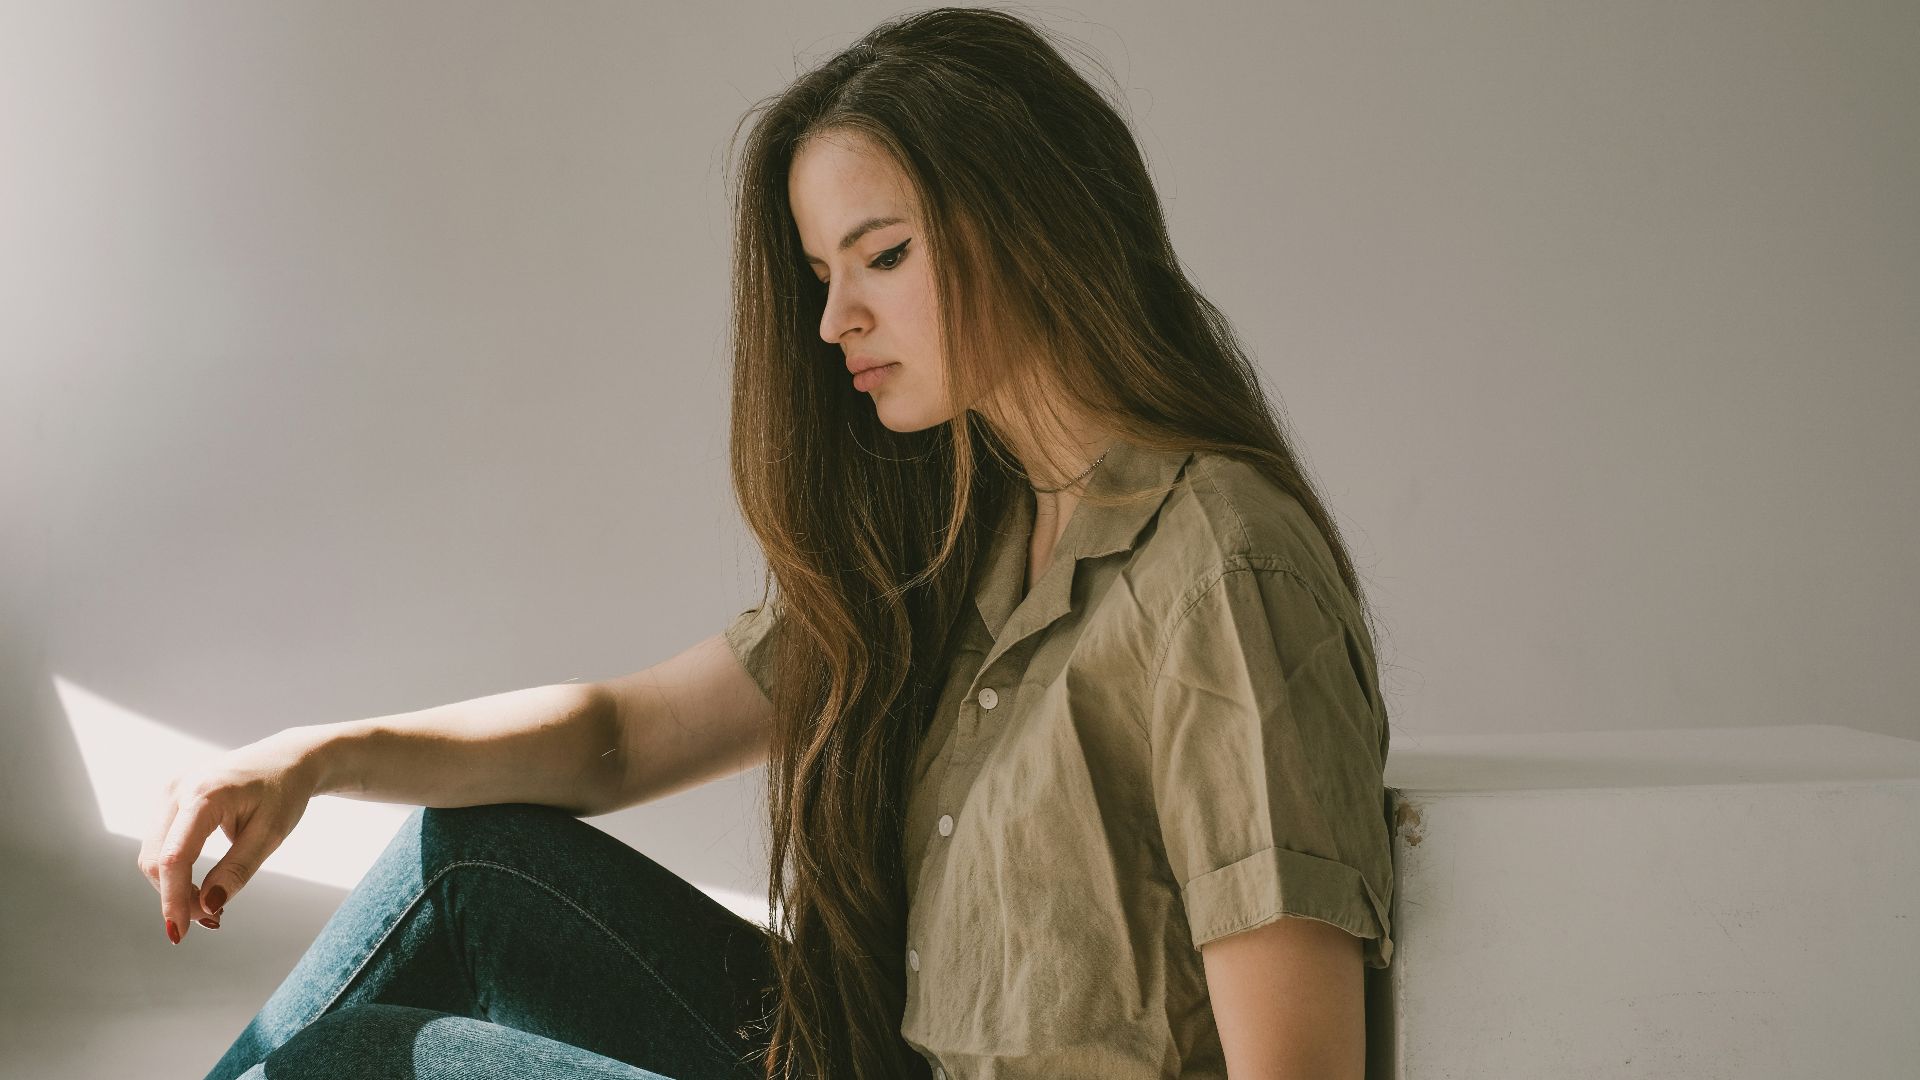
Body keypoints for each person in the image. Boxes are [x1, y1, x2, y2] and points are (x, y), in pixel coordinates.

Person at [142, 7, 1395, 1079]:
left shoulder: (1221, 565)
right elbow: (624, 734)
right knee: (462, 860)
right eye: (820, 275)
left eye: (883, 257)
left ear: (1037, 224)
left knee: (365, 1067)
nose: (837, 319)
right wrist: (313, 756)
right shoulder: (964, 531)